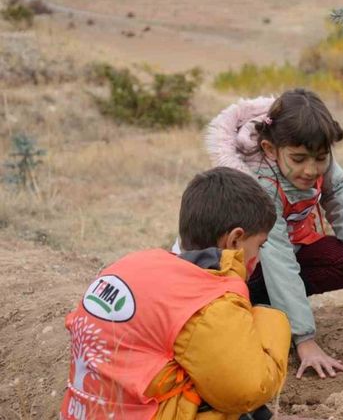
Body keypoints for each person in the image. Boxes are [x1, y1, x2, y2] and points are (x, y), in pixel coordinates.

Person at [61, 167, 290, 420]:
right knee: (229, 387)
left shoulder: (135, 263)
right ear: (235, 240)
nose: (258, 258)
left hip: (83, 411)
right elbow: (246, 390)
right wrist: (270, 319)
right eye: (260, 245)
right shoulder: (209, 300)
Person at [205, 89, 343, 379]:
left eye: (320, 158)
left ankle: (271, 305)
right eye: (298, 159)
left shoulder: (313, 150)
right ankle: (251, 302)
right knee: (259, 280)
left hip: (294, 247)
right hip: (247, 264)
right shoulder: (260, 182)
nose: (311, 169)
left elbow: (338, 190)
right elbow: (277, 256)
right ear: (270, 149)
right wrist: (305, 338)